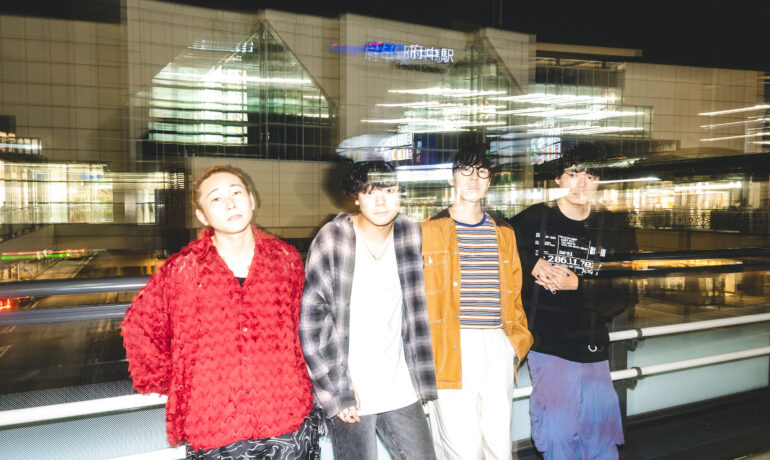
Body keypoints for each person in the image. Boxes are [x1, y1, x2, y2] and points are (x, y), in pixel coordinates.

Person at [121, 166, 319, 459]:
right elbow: (139, 327)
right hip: (215, 423)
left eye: (236, 193)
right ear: (203, 215)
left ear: (252, 200)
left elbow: (304, 327)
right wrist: (177, 382)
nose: (230, 203)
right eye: (215, 198)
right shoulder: (182, 270)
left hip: (286, 415)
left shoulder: (285, 260)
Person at [299, 161, 437, 460]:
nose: (381, 201)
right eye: (370, 192)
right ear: (356, 198)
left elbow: (418, 309)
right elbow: (311, 323)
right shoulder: (333, 237)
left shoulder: (411, 233)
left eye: (389, 190)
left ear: (400, 195)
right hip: (350, 387)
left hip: (399, 383)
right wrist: (336, 391)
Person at [508, 142, 637, 460]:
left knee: (600, 439)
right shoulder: (531, 220)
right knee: (558, 436)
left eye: (591, 176)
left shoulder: (612, 227)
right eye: (573, 174)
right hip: (547, 344)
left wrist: (578, 284)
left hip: (593, 346)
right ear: (558, 178)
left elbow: (625, 293)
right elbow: (497, 246)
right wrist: (531, 263)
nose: (581, 184)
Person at [421, 146, 533, 460]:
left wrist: (514, 346)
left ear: (490, 180)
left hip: (497, 343)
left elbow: (515, 293)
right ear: (451, 178)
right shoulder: (428, 230)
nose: (474, 178)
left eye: (482, 171)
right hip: (449, 346)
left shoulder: (504, 231)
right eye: (465, 170)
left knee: (498, 445)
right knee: (461, 448)